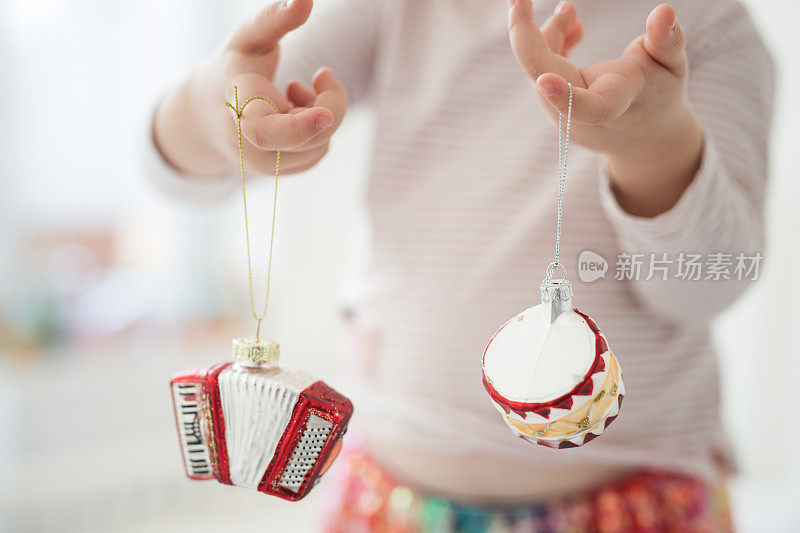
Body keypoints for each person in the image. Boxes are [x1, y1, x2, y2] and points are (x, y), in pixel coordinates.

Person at [148, 0, 773, 530]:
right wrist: (212, 113)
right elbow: (177, 163)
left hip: (638, 503)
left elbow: (705, 285)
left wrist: (654, 147)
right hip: (389, 497)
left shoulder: (706, 23)